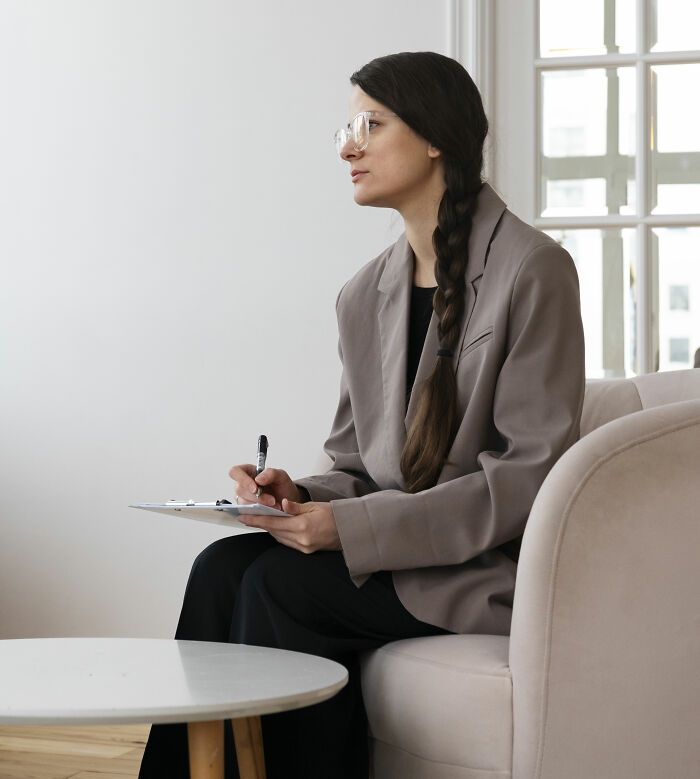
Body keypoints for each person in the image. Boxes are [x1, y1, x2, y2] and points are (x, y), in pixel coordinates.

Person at [138, 51, 585, 778]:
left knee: (278, 587)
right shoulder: (362, 294)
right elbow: (352, 463)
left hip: (472, 566)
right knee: (220, 569)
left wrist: (348, 528)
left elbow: (526, 479)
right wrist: (300, 497)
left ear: (436, 135)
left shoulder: (534, 270)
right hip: (387, 552)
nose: (348, 146)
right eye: (347, 129)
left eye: (370, 125)